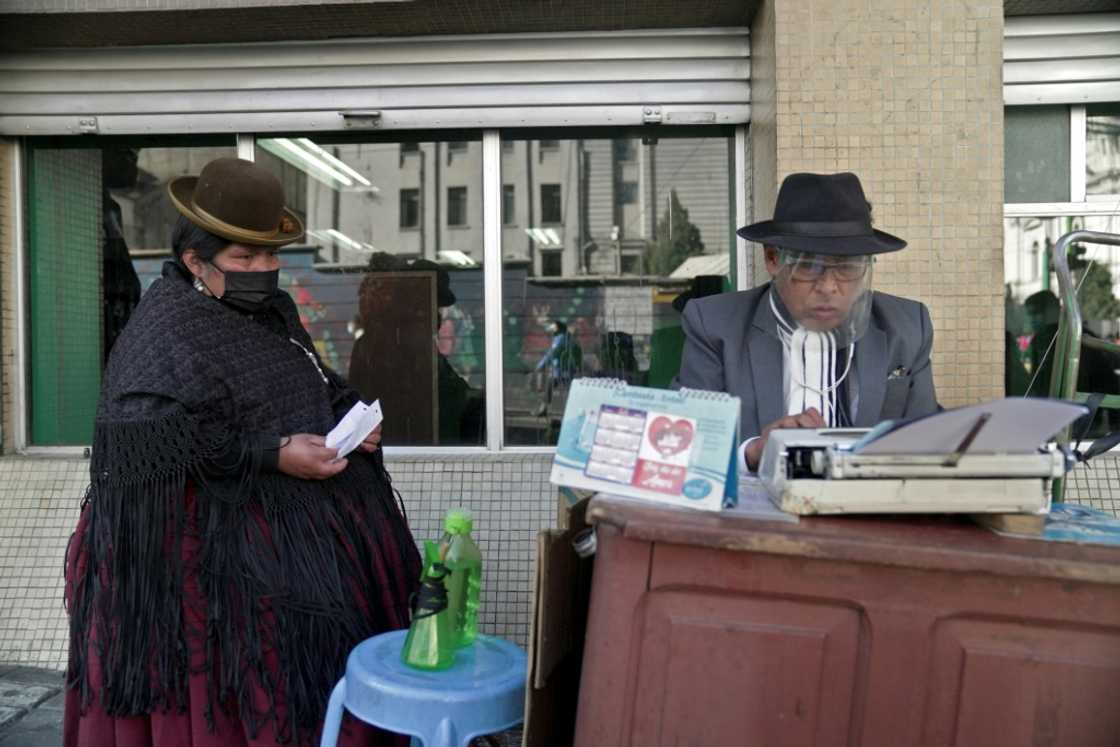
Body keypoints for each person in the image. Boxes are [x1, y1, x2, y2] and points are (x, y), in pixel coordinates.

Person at [63, 158, 420, 747]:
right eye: (244, 258)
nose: (264, 270)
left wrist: (344, 413)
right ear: (195, 262)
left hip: (305, 532)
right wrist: (271, 454)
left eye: (270, 255)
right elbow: (144, 436)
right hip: (209, 567)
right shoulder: (166, 326)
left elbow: (310, 378)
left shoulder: (270, 311)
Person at [676, 172, 938, 471]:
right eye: (809, 266)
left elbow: (927, 440)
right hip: (756, 509)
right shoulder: (715, 325)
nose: (828, 286)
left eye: (848, 266)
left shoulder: (907, 327)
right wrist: (753, 452)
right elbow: (684, 444)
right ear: (773, 259)